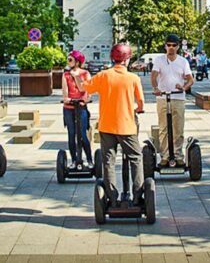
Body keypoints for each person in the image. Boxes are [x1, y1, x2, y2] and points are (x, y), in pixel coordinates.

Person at [75, 43, 145, 205]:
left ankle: (112, 198)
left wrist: (77, 76)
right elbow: (140, 102)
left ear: (113, 58)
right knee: (135, 157)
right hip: (127, 127)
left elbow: (84, 88)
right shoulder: (133, 78)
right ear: (127, 60)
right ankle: (137, 196)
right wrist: (138, 109)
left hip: (106, 126)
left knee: (108, 161)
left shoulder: (103, 75)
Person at [151, 34, 194, 167]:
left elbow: (190, 79)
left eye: (174, 45)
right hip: (163, 97)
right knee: (163, 128)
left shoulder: (183, 61)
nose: (171, 48)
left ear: (178, 47)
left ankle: (177, 155)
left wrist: (184, 87)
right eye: (168, 45)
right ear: (165, 46)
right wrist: (155, 88)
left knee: (178, 128)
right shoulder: (159, 60)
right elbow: (154, 75)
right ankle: (164, 156)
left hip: (178, 98)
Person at [62, 50, 93, 167]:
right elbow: (65, 91)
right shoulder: (65, 75)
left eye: (70, 59)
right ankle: (74, 160)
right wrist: (66, 98)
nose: (68, 62)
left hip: (81, 106)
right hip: (68, 107)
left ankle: (89, 160)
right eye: (68, 59)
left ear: (77, 62)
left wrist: (84, 100)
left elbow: (86, 90)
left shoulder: (85, 74)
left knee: (83, 134)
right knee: (71, 134)